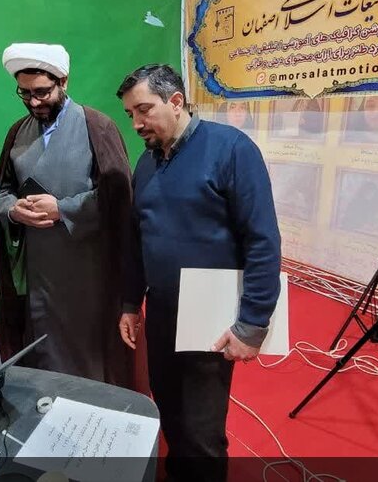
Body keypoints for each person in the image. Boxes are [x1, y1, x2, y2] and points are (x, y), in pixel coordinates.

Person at [116, 64, 281, 481]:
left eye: (144, 110)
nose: (136, 124)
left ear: (176, 101)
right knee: (170, 410)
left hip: (210, 318)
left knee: (202, 430)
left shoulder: (232, 150)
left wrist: (253, 323)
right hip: (161, 313)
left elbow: (262, 240)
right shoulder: (147, 163)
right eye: (130, 114)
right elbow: (137, 239)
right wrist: (130, 302)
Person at [0, 43, 140, 386]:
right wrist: (13, 210)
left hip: (88, 273)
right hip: (39, 273)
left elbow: (119, 196)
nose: (34, 102)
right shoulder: (17, 133)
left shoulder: (96, 127)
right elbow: (3, 192)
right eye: (25, 93)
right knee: (45, 356)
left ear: (64, 82)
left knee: (87, 360)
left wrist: (62, 209)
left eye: (42, 92)